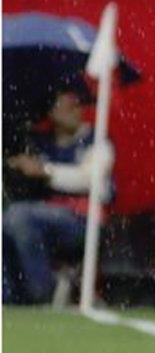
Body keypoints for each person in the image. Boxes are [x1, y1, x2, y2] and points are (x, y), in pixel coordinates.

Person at [2, 91, 113, 305]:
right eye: (69, 106)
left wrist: (46, 171)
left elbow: (92, 181)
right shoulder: (38, 142)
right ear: (52, 113)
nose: (77, 111)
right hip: (38, 220)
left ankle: (44, 292)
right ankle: (9, 296)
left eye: (78, 106)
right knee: (8, 221)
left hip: (83, 221)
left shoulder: (97, 142)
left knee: (18, 216)